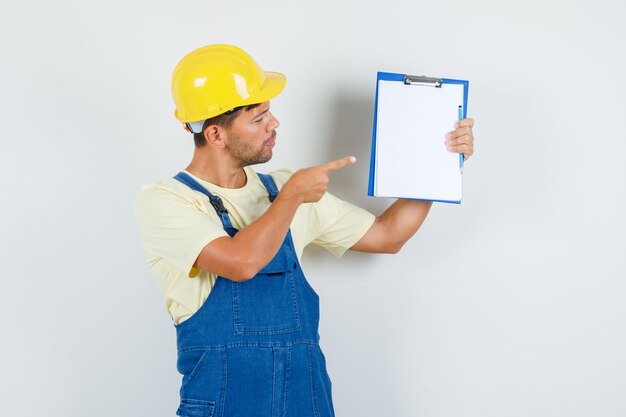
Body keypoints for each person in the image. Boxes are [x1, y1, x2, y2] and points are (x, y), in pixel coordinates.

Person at [134, 44, 474, 417]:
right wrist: (292, 196)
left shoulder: (284, 189)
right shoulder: (167, 201)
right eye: (258, 117)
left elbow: (388, 235)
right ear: (215, 135)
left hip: (304, 403)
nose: (274, 123)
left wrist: (437, 163)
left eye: (270, 112)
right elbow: (240, 262)